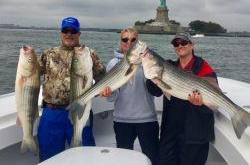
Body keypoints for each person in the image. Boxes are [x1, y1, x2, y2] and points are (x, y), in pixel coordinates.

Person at [37, 17, 105, 162]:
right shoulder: (49, 53)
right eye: (65, 30)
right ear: (61, 33)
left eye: (73, 31)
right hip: (52, 112)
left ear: (79, 33)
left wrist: (102, 91)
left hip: (80, 111)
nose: (69, 34)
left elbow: (102, 79)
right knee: (50, 158)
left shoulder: (89, 54)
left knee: (86, 157)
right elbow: (32, 75)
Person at [147, 32, 219, 165]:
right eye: (176, 43)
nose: (179, 46)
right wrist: (152, 77)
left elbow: (213, 105)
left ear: (192, 44)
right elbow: (155, 92)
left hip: (195, 135)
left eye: (183, 42)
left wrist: (200, 103)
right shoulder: (169, 66)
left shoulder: (204, 69)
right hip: (171, 132)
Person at [100, 28, 159, 165]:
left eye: (133, 40)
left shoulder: (147, 61)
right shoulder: (113, 64)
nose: (129, 42)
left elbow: (155, 90)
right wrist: (108, 93)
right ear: (120, 42)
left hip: (147, 119)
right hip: (122, 121)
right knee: (124, 160)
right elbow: (112, 98)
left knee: (153, 158)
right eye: (125, 39)